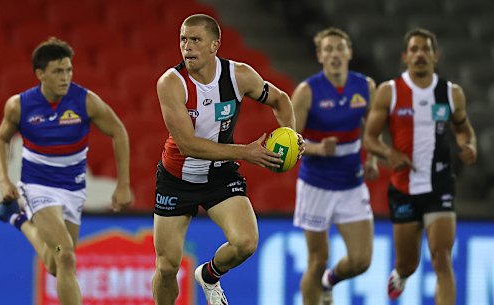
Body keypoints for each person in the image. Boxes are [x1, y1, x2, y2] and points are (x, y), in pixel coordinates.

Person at [151, 14, 303, 305]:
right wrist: (246, 152)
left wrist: (291, 139)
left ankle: (209, 275)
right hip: (176, 178)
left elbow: (281, 100)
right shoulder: (171, 83)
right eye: (183, 39)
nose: (187, 47)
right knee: (167, 266)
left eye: (195, 40)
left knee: (246, 243)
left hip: (220, 174)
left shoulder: (239, 76)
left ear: (214, 45)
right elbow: (188, 145)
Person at [0, 37, 134, 305]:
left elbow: (118, 132)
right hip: (37, 186)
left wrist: (123, 184)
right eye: (57, 71)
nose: (65, 77)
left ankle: (15, 218)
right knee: (66, 256)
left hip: (73, 188)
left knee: (56, 264)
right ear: (40, 74)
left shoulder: (86, 101)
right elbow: (1, 139)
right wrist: (4, 180)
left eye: (69, 70)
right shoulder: (19, 105)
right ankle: (18, 211)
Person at [363, 28, 477, 305]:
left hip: (440, 185)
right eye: (414, 49)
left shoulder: (451, 93)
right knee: (408, 263)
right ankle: (401, 274)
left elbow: (464, 130)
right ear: (405, 56)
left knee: (441, 258)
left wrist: (469, 145)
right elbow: (369, 138)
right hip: (404, 188)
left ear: (435, 56)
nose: (420, 54)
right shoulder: (389, 92)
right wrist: (389, 153)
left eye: (425, 49)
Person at [291, 28, 378, 305]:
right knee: (317, 261)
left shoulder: (366, 86)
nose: (335, 54)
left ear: (349, 52)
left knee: (361, 261)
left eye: (340, 48)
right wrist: (317, 148)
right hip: (316, 184)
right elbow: (288, 142)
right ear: (320, 56)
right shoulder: (307, 92)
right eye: (328, 49)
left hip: (351, 183)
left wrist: (373, 159)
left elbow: (373, 128)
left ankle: (332, 281)